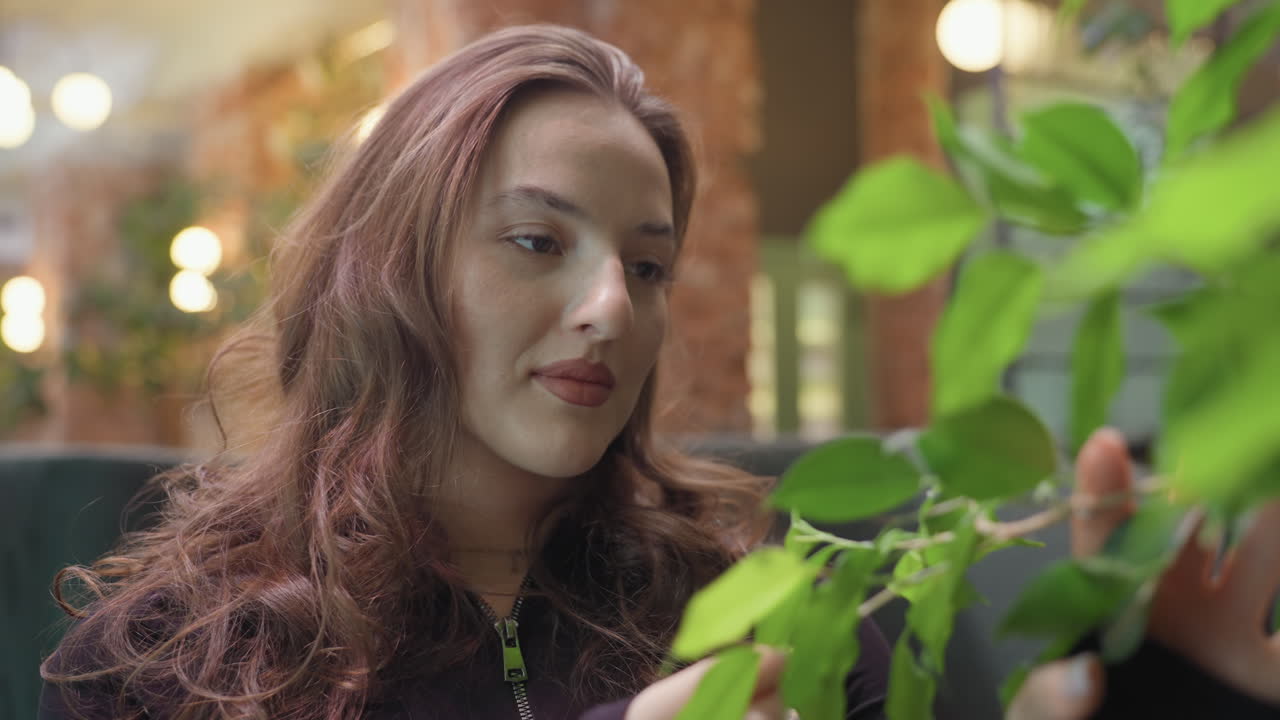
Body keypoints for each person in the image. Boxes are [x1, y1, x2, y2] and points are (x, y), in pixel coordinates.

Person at [38, 24, 1280, 720]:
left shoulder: (749, 605)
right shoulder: (170, 656)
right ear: (387, 270)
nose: (608, 310)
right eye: (537, 242)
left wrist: (1183, 696)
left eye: (644, 267)